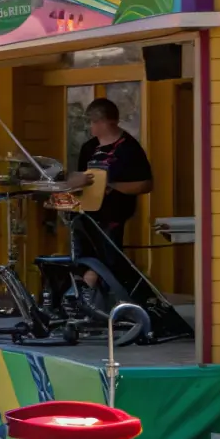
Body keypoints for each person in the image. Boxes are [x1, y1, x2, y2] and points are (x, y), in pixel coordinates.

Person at [66, 98, 153, 295]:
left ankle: (119, 301)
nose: (91, 127)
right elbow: (80, 176)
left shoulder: (129, 148)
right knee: (83, 259)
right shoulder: (88, 148)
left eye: (93, 122)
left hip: (114, 215)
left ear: (104, 122)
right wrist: (74, 182)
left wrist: (112, 185)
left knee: (110, 262)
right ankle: (87, 299)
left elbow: (146, 184)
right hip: (86, 213)